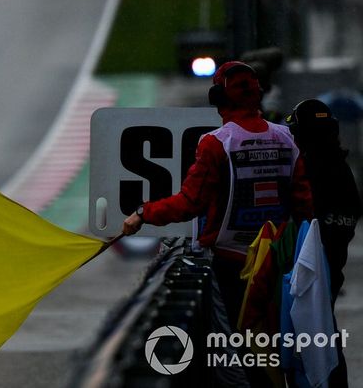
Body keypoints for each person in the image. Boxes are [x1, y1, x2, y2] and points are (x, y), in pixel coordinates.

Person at [122, 61, 314, 385]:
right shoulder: (288, 138)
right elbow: (305, 205)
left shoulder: (216, 143)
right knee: (279, 344)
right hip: (282, 262)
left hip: (232, 266)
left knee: (242, 352)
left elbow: (189, 203)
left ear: (218, 99)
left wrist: (143, 214)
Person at [285, 98, 360, 388]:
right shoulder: (339, 165)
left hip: (316, 263)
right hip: (332, 260)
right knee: (322, 327)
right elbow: (352, 212)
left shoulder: (311, 168)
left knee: (315, 332)